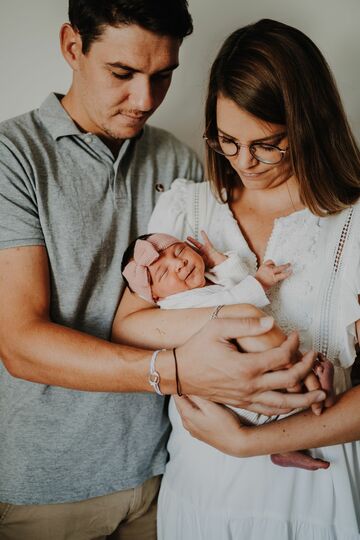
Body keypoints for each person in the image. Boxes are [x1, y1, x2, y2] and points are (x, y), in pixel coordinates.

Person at [0, 4, 322, 539]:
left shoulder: (178, 162)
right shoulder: (14, 157)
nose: (146, 100)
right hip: (50, 486)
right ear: (72, 47)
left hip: (168, 472)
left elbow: (205, 302)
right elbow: (19, 343)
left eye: (164, 74)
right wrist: (175, 370)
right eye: (123, 74)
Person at [114, 19, 360, 539]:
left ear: (308, 125)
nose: (244, 162)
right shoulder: (186, 207)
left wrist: (249, 442)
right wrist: (231, 315)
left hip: (315, 502)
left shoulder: (353, 224)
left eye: (267, 143)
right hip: (200, 495)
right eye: (227, 140)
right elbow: (130, 328)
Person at [118, 230, 334, 470]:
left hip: (251, 362)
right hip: (228, 384)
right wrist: (259, 283)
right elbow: (230, 304)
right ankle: (287, 436)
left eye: (179, 251)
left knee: (281, 377)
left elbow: (237, 283)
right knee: (267, 401)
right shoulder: (176, 305)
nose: (179, 264)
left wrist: (219, 261)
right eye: (164, 272)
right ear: (156, 296)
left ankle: (287, 441)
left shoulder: (207, 278)